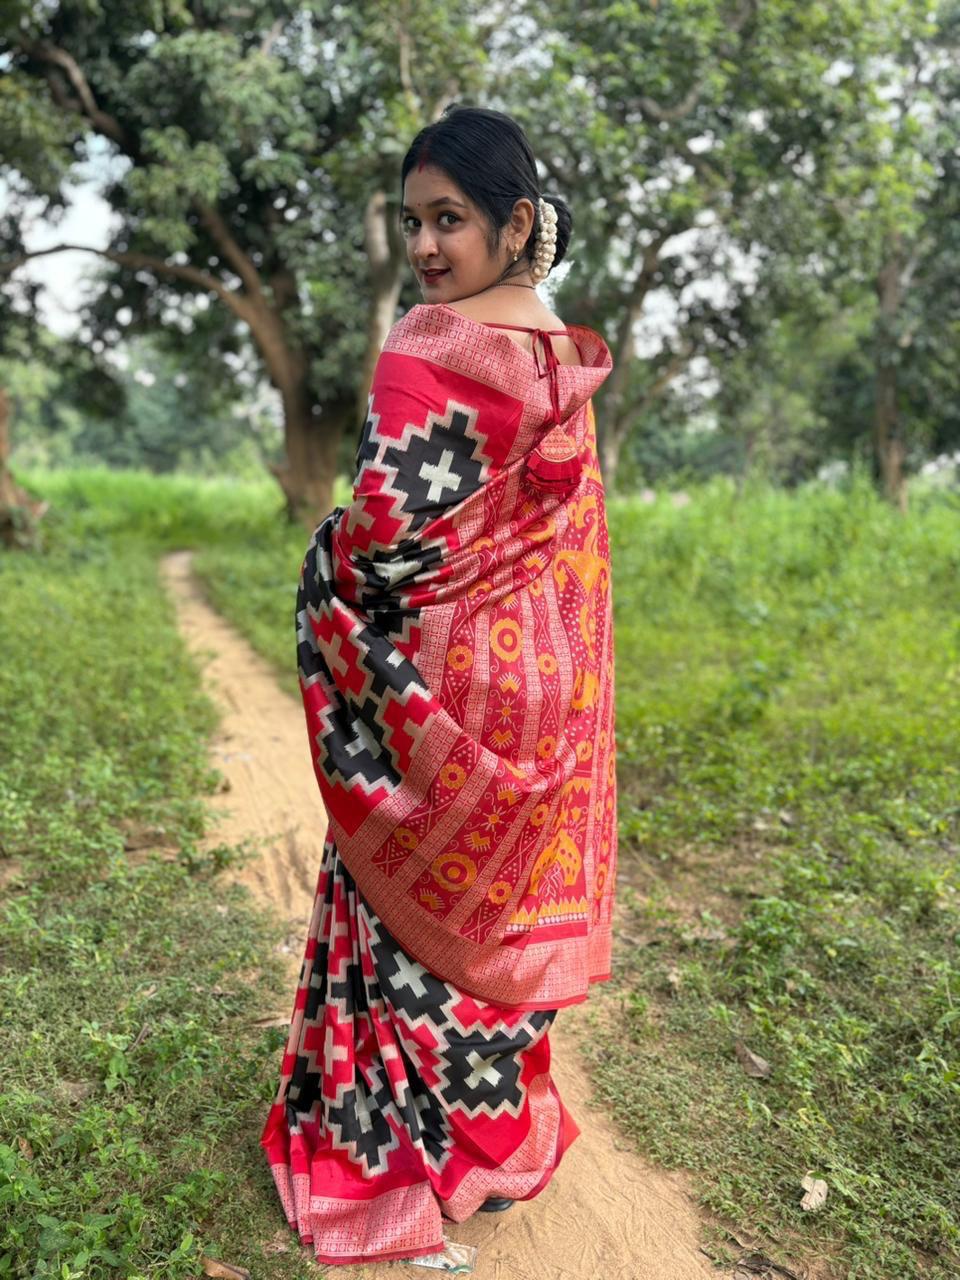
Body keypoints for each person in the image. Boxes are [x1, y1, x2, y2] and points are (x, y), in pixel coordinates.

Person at [259, 104, 617, 1267]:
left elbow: (380, 533)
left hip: (438, 687)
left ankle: (403, 1138)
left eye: (448, 219)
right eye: (412, 220)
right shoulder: (560, 356)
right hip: (543, 685)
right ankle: (493, 1137)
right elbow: (561, 543)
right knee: (500, 906)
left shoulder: (433, 345)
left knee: (397, 912)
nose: (423, 245)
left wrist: (327, 558)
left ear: (515, 224)